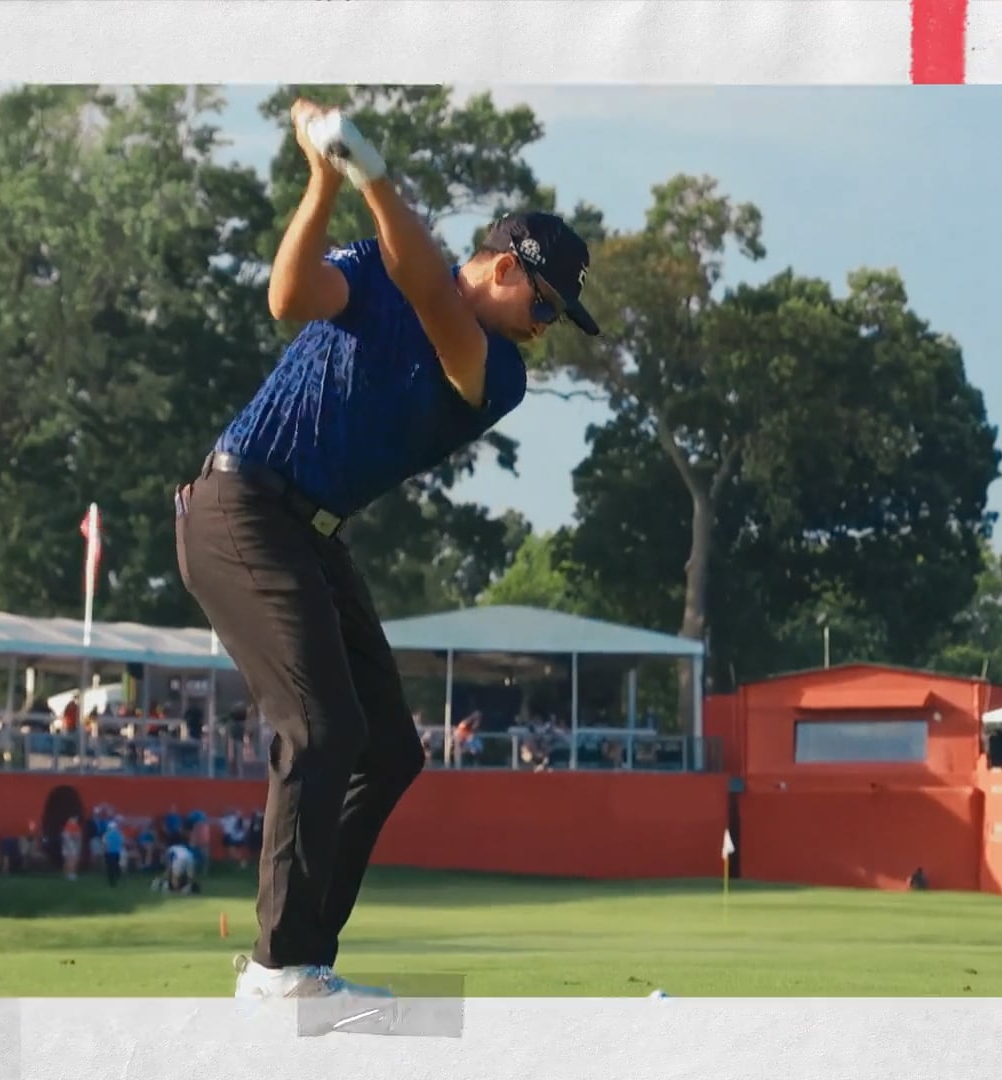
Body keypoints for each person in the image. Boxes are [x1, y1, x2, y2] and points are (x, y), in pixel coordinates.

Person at [175, 99, 599, 1003]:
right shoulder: (375, 266)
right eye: (546, 299)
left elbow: (434, 299)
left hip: (309, 530)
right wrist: (325, 181)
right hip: (237, 505)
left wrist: (367, 167)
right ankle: (279, 974)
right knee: (322, 729)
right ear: (500, 263)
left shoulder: (497, 370)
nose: (547, 321)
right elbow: (287, 296)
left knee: (388, 752)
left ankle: (306, 962)